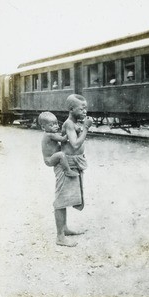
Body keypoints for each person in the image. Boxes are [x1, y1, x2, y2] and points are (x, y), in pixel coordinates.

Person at [53, 94, 93, 247]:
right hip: (66, 165)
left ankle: (65, 229)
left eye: (86, 108)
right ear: (71, 109)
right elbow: (75, 145)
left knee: (67, 197)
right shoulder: (69, 124)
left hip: (74, 163)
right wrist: (87, 128)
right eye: (82, 108)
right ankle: (60, 237)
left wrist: (83, 126)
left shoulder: (75, 123)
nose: (85, 111)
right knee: (61, 199)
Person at [38, 111, 78, 177]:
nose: (56, 126)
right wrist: (70, 131)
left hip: (53, 156)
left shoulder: (52, 133)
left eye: (56, 124)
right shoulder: (49, 135)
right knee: (61, 155)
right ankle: (67, 171)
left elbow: (60, 137)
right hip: (49, 160)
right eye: (51, 125)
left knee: (62, 150)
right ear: (43, 127)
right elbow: (63, 139)